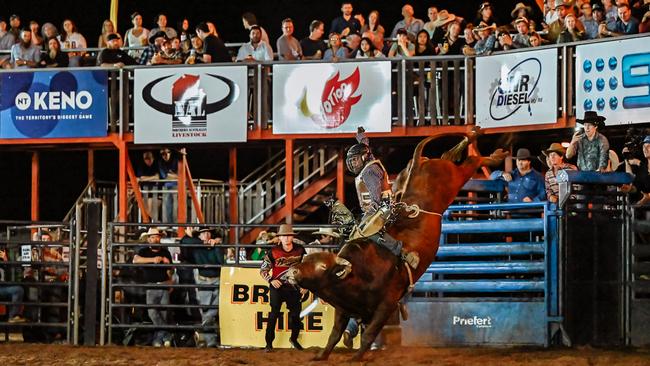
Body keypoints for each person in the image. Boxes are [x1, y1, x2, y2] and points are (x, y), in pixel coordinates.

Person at [346, 126, 420, 269]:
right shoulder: (370, 162)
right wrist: (361, 138)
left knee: (368, 231)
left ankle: (404, 253)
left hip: (381, 207)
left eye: (355, 160)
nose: (353, 163)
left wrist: (372, 210)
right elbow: (366, 149)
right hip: (384, 204)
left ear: (363, 157)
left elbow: (375, 192)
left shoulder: (368, 172)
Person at [259, 224, 306, 352]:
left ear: (292, 237)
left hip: (294, 288)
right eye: (283, 236)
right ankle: (268, 344)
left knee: (296, 316)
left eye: (288, 235)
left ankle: (294, 339)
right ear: (280, 237)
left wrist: (305, 286)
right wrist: (271, 280)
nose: (286, 238)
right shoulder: (272, 251)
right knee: (273, 314)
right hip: (277, 287)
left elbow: (306, 269)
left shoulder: (301, 250)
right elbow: (263, 270)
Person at [132, 228, 174, 347]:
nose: (155, 239)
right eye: (152, 237)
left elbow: (170, 270)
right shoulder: (144, 251)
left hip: (164, 284)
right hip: (151, 285)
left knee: (163, 313)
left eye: (157, 237)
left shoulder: (165, 252)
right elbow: (135, 260)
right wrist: (153, 260)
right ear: (149, 239)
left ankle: (158, 339)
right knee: (153, 312)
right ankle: (166, 335)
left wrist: (169, 270)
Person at [188, 228, 224, 348]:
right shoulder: (197, 247)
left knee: (211, 311)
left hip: (215, 279)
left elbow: (220, 262)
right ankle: (209, 339)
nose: (206, 235)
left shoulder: (214, 247)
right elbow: (185, 243)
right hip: (205, 279)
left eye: (208, 233)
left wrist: (217, 245)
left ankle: (206, 337)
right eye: (203, 233)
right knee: (207, 311)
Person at [0, 247, 27, 323]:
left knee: (18, 289)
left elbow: (12, 274)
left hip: (3, 287)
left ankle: (13, 316)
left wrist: (6, 261)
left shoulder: (8, 256)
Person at [158, 148, 179, 224]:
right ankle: (170, 225)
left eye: (168, 152)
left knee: (178, 207)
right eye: (163, 154)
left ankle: (178, 225)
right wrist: (175, 175)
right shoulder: (161, 162)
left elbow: (181, 175)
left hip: (178, 187)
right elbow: (164, 176)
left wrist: (172, 175)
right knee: (168, 208)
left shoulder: (176, 160)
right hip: (167, 187)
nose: (166, 155)